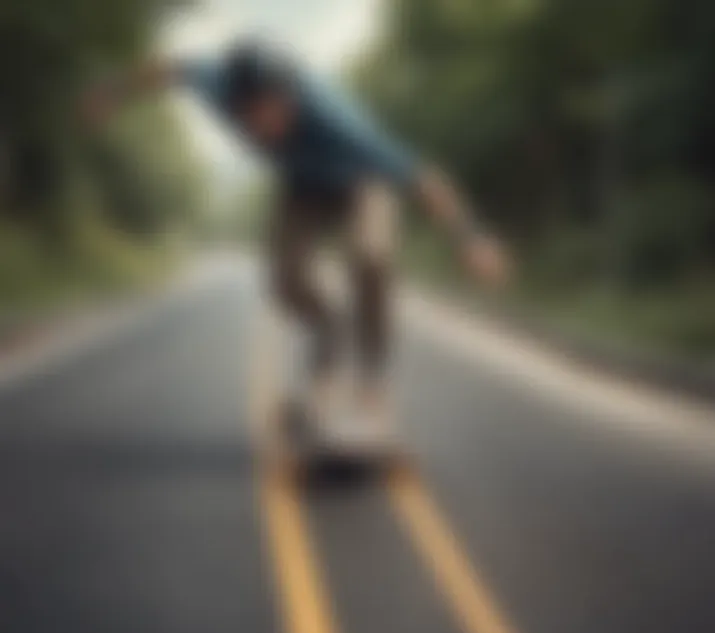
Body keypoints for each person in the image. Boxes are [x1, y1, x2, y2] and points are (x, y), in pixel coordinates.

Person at [81, 41, 510, 441]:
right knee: (285, 281)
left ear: (291, 98)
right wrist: (112, 90)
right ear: (238, 104)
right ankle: (328, 342)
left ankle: (372, 385)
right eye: (258, 115)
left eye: (279, 110)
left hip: (363, 181)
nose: (270, 123)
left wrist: (470, 239)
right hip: (303, 184)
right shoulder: (216, 85)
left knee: (371, 256)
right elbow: (170, 68)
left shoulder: (334, 119)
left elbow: (423, 179)